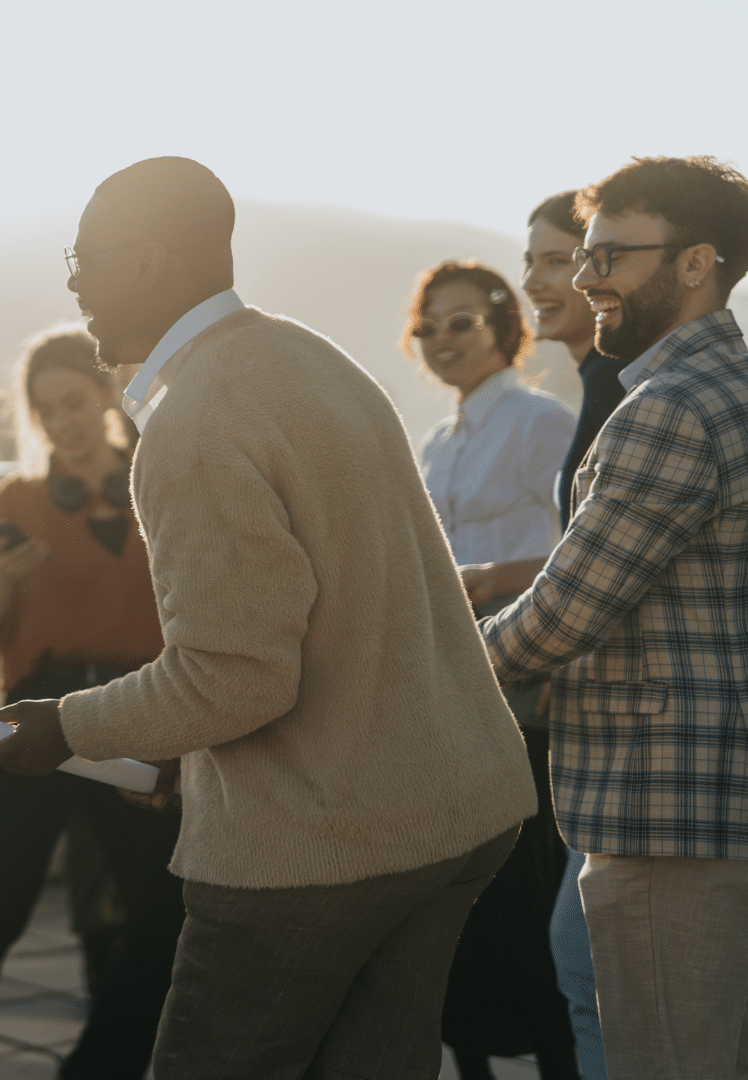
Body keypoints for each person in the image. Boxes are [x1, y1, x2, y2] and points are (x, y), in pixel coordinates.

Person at [0, 157, 536, 1077]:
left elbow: (235, 677)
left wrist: (65, 726)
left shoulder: (194, 423)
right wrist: (179, 749)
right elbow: (336, 616)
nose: (73, 286)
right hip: (456, 811)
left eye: (83, 260)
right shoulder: (312, 359)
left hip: (321, 847)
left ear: (149, 260)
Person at [480, 155, 748, 1079]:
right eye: (584, 255)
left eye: (609, 256)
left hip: (666, 809)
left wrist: (422, 666)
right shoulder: (726, 389)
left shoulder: (669, 409)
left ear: (696, 263)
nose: (587, 277)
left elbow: (560, 618)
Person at [0, 327, 181, 1080]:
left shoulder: (161, 480)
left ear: (107, 395)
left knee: (163, 916)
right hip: (33, 711)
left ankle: (99, 1068)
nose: (60, 421)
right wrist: (2, 582)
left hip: (135, 711)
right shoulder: (17, 497)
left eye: (73, 402)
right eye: (45, 409)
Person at [405, 261, 578, 1079]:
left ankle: (556, 1057)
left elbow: (581, 552)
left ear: (505, 324)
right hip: (452, 685)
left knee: (523, 892)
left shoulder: (542, 422)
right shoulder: (438, 441)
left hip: (526, 687)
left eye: (461, 321)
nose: (442, 339)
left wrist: (484, 582)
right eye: (428, 326)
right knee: (458, 894)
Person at [467, 190, 617, 1080]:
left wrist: (476, 628)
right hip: (564, 699)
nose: (540, 279)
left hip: (591, 714)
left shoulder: (614, 391)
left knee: (586, 968)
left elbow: (588, 559)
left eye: (559, 259)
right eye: (533, 261)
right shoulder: (596, 384)